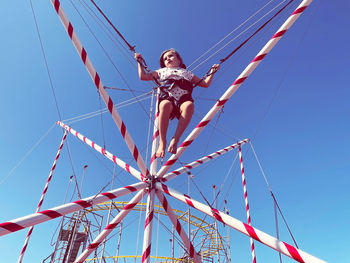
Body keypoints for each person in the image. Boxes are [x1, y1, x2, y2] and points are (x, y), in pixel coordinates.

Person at [135, 48, 220, 158]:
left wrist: (212, 71)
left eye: (170, 56)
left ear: (179, 60)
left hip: (183, 99)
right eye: (165, 59)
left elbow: (205, 84)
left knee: (189, 105)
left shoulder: (186, 73)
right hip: (167, 97)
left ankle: (175, 139)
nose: (168, 59)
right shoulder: (161, 71)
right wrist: (139, 62)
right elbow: (143, 76)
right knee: (165, 105)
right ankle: (162, 142)